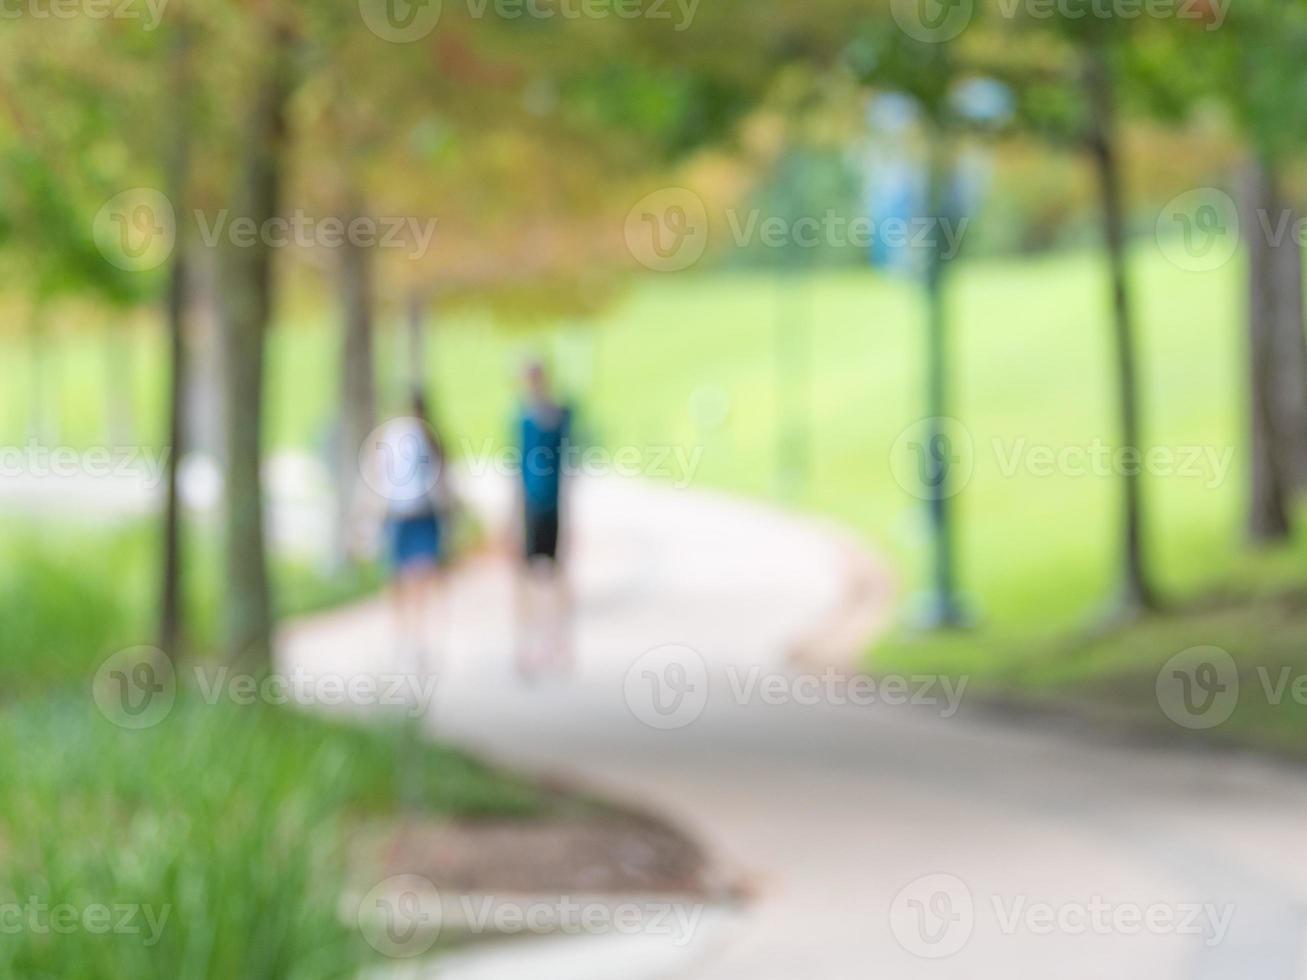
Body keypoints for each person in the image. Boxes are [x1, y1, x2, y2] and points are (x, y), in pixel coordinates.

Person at [368, 392, 449, 677]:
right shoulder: (407, 437)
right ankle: (406, 639)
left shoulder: (420, 438)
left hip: (412, 513)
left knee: (410, 578)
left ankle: (410, 640)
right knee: (407, 580)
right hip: (408, 513)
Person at [513, 359, 573, 677]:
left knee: (554, 574)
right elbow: (517, 467)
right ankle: (529, 644)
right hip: (531, 505)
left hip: (550, 504)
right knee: (528, 577)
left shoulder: (555, 416)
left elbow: (567, 464)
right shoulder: (524, 419)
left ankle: (558, 642)